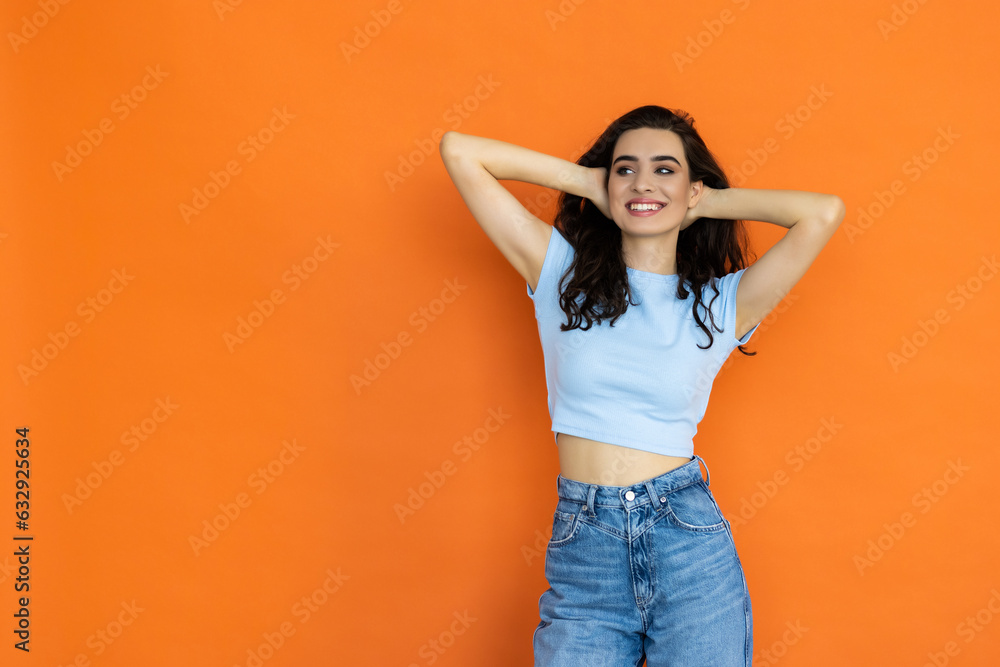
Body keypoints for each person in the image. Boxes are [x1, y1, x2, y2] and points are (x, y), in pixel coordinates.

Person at [438, 105, 844, 666]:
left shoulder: (720, 304)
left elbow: (822, 214)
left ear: (692, 186)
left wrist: (709, 201)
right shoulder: (560, 273)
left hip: (687, 543)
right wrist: (588, 181)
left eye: (665, 170)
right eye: (625, 169)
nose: (642, 183)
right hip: (586, 546)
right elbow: (461, 152)